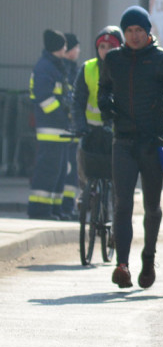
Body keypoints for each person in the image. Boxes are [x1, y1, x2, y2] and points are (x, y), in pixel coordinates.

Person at [98, 5, 163, 290]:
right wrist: (105, 104)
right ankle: (122, 265)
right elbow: (104, 88)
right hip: (123, 141)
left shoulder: (162, 60)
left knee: (152, 206)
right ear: (124, 33)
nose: (134, 36)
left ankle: (148, 257)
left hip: (152, 143)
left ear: (148, 32)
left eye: (139, 30)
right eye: (129, 31)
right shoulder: (113, 59)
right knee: (122, 204)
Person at [72, 26, 122, 190]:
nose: (106, 51)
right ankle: (85, 196)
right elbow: (78, 101)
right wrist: (80, 126)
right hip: (91, 131)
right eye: (102, 46)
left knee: (118, 178)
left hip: (116, 132)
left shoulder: (126, 69)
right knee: (85, 170)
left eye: (111, 47)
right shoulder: (88, 68)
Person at [28, 29, 71, 220]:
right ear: (58, 46)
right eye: (64, 44)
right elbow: (44, 98)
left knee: (59, 172)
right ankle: (40, 210)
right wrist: (63, 115)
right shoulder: (45, 67)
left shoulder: (54, 66)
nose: (66, 48)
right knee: (47, 171)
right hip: (51, 129)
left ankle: (54, 209)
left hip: (59, 129)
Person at [60, 32, 82, 216]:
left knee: (71, 168)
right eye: (76, 47)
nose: (78, 51)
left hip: (71, 126)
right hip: (67, 127)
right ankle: (66, 207)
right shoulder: (66, 69)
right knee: (68, 168)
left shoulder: (70, 68)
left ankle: (68, 206)